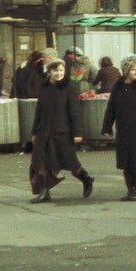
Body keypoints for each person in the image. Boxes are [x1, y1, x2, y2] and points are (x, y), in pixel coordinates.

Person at [29, 58, 94, 203]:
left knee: (71, 163)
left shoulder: (69, 87)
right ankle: (44, 193)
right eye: (55, 70)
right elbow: (39, 111)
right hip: (44, 131)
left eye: (61, 70)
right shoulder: (44, 87)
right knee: (40, 162)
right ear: (49, 71)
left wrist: (78, 133)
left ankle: (87, 178)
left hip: (62, 131)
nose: (58, 73)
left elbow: (75, 112)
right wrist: (34, 132)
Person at [102, 56, 136, 201]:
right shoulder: (119, 85)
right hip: (123, 128)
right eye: (133, 69)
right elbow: (111, 107)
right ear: (126, 71)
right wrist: (107, 127)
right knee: (125, 161)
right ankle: (130, 188)